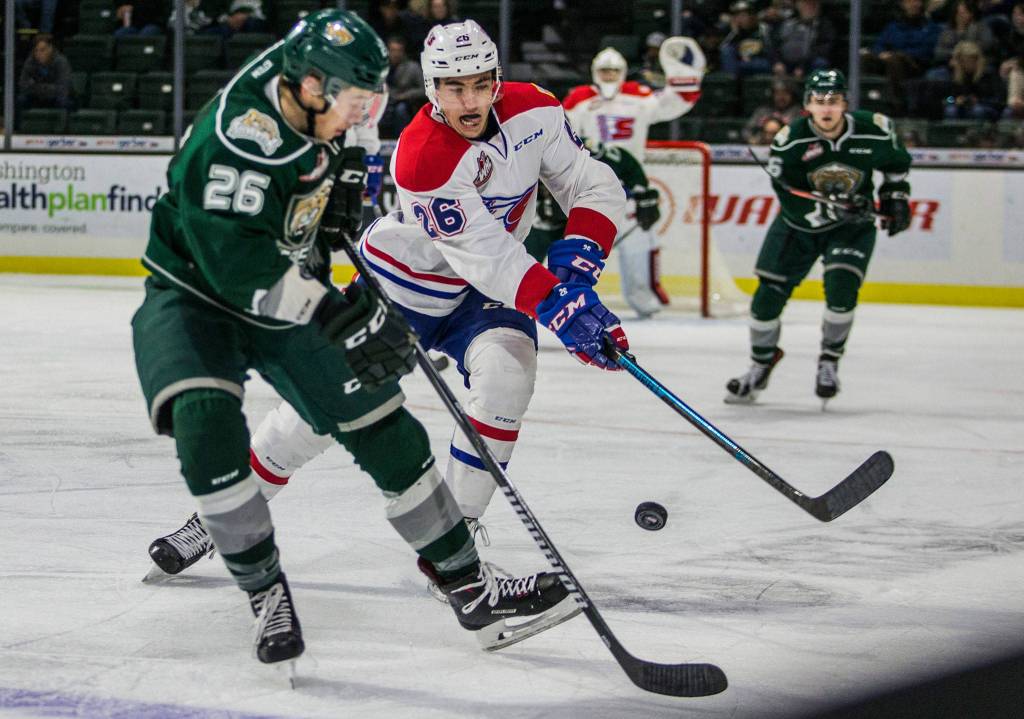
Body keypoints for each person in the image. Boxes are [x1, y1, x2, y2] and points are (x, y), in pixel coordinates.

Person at [133, 10, 583, 669]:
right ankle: (232, 537)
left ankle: (467, 583)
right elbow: (241, 273)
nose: (360, 112)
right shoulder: (235, 146)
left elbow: (343, 144)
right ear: (310, 87)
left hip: (291, 273)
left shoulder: (322, 88)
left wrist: (342, 175)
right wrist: (337, 316)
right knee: (302, 419)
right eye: (351, 103)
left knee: (379, 419)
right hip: (209, 291)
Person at [724, 69, 912, 406]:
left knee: (841, 291)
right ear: (807, 104)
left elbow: (897, 164)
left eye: (834, 101)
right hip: (797, 228)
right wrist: (834, 210)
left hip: (851, 229)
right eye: (819, 101)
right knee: (765, 302)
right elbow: (790, 198)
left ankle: (829, 362)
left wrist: (896, 197)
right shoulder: (790, 140)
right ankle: (760, 364)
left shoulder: (874, 130)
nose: (827, 108)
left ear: (845, 103)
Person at [562, 38, 704, 317]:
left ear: (624, 72)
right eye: (604, 72)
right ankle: (568, 304)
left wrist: (684, 75)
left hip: (632, 186)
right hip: (587, 188)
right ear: (594, 72)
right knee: (577, 250)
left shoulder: (639, 96)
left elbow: (676, 103)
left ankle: (646, 301)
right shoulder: (579, 98)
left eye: (614, 72)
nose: (609, 78)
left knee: (638, 247)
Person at [860, 0, 942, 115]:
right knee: (864, 56)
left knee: (894, 60)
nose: (913, 4)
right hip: (889, 61)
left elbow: (927, 51)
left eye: (916, 1)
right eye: (909, 1)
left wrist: (898, 54)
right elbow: (879, 44)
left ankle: (897, 104)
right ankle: (863, 101)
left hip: (915, 64)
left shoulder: (930, 27)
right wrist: (881, 53)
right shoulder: (894, 26)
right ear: (903, 4)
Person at [770, 0, 835, 78]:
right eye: (805, 4)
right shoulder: (786, 22)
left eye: (813, 4)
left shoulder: (824, 26)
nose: (809, 7)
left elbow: (822, 50)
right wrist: (777, 62)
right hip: (784, 62)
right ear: (797, 5)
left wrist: (802, 66)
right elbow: (774, 44)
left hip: (809, 62)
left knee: (820, 63)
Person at [378, 34, 426, 137]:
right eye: (392, 50)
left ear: (403, 51)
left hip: (405, 102)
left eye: (398, 50)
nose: (395, 54)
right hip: (384, 100)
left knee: (401, 110)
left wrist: (405, 95)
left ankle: (402, 139)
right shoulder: (381, 67)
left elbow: (424, 90)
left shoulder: (412, 67)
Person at [941, 40, 1003, 118]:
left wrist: (979, 101)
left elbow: (998, 100)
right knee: (950, 110)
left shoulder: (989, 73)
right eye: (964, 60)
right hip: (960, 107)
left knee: (977, 110)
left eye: (971, 59)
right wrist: (955, 100)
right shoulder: (953, 75)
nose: (968, 63)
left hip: (985, 106)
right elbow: (947, 98)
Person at [17, 34, 73, 112]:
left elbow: (63, 88)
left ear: (51, 49)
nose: (39, 54)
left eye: (42, 50)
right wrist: (50, 88)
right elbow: (23, 85)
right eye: (36, 50)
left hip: (55, 98)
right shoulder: (30, 62)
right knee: (20, 100)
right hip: (36, 97)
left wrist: (35, 87)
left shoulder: (61, 62)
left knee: (64, 101)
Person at [720, 0, 775, 77]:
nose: (740, 19)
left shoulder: (763, 28)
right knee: (728, 53)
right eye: (737, 16)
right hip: (741, 63)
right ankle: (731, 83)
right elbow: (724, 49)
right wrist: (734, 32)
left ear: (752, 16)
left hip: (760, 61)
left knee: (737, 66)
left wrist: (751, 57)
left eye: (743, 16)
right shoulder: (735, 32)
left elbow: (770, 50)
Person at [742, 76, 801, 143]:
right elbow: (746, 130)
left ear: (792, 95)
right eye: (777, 94)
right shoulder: (762, 111)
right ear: (772, 95)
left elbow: (800, 135)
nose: (781, 97)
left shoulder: (798, 113)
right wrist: (751, 139)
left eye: (785, 94)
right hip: (761, 147)